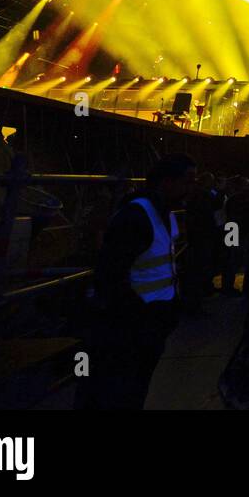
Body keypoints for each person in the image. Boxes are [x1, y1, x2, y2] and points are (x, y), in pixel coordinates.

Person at [75, 154, 197, 410]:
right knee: (120, 389)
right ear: (166, 182)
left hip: (150, 320)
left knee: (133, 388)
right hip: (133, 325)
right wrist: (138, 316)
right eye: (187, 181)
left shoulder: (163, 214)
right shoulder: (137, 216)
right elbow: (110, 274)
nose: (191, 188)